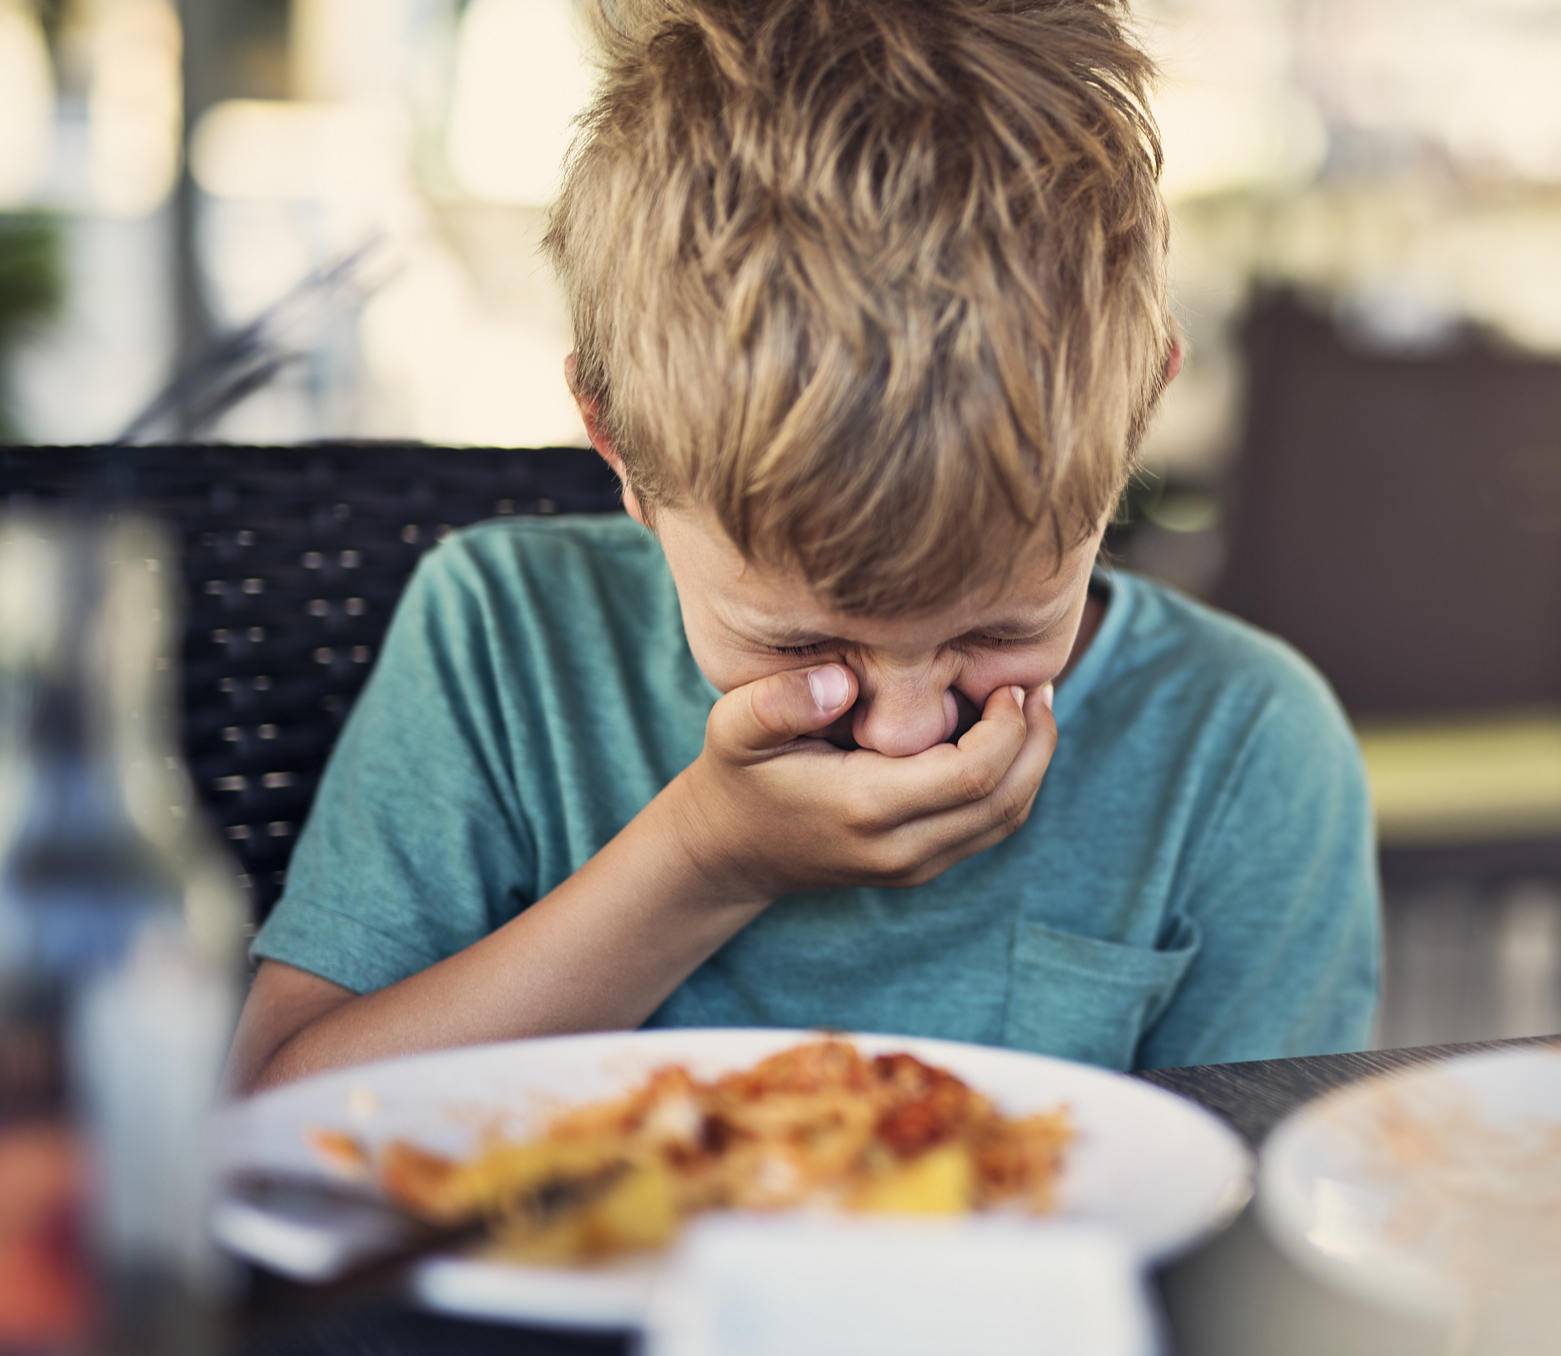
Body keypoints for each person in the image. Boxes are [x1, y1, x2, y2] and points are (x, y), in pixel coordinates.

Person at [225, 0, 1378, 1090]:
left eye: (999, 629)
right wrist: (707, 858)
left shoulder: (1240, 753)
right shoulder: (500, 640)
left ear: (1140, 420)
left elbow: (1246, 1265)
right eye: (803, 642)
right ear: (615, 440)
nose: (906, 730)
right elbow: (282, 1113)